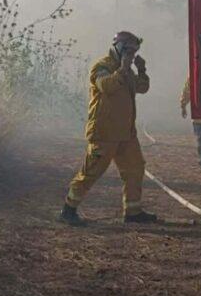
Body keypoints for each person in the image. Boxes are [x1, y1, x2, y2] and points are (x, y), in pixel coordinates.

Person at [60, 31, 156, 226]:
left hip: (126, 134)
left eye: (134, 52)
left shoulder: (127, 71)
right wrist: (123, 69)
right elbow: (106, 86)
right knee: (91, 172)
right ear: (119, 48)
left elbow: (142, 88)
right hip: (104, 133)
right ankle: (68, 210)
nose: (132, 55)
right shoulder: (102, 67)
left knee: (135, 169)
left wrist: (141, 70)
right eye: (129, 51)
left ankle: (133, 212)